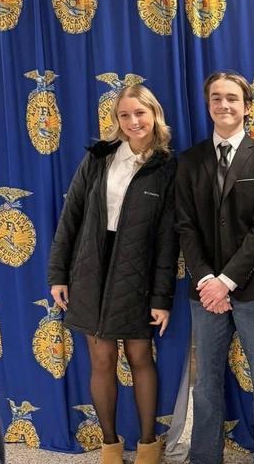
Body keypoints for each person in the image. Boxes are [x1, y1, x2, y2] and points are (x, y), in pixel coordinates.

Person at [48, 84, 177, 464]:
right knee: (101, 358)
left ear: (154, 114)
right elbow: (70, 217)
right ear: (116, 120)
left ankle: (149, 446)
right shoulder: (99, 158)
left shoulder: (167, 166)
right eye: (125, 115)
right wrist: (59, 273)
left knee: (140, 356)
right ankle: (110, 446)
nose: (133, 121)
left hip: (137, 273)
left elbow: (169, 240)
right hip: (91, 268)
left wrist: (161, 298)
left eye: (140, 113)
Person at [176, 72, 254, 464]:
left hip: (252, 288)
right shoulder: (189, 161)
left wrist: (228, 280)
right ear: (208, 105)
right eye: (217, 98)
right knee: (205, 383)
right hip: (203, 292)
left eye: (232, 99)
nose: (224, 105)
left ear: (247, 106)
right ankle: (205, 457)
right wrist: (208, 279)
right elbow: (185, 226)